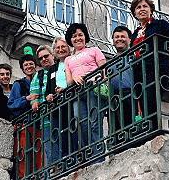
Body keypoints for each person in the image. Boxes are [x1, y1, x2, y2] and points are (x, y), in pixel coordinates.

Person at [64, 23, 106, 154]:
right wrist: (75, 79)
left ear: (85, 36)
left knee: (94, 122)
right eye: (74, 36)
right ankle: (89, 155)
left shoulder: (94, 50)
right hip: (78, 93)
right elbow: (69, 81)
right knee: (81, 123)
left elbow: (104, 70)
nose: (77, 38)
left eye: (80, 35)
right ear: (70, 40)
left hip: (93, 88)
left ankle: (98, 156)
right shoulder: (68, 59)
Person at [8, 54, 41, 178]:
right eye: (26, 65)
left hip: (39, 123)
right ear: (22, 68)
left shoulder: (40, 81)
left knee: (39, 153)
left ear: (35, 66)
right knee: (24, 154)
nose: (29, 67)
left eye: (31, 64)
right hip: (25, 124)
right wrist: (26, 98)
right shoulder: (18, 84)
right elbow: (11, 104)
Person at [29, 45, 56, 165]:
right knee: (51, 152)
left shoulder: (61, 68)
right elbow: (34, 96)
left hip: (65, 116)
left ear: (52, 55)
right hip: (47, 120)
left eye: (46, 56)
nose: (44, 59)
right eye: (41, 58)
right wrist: (34, 102)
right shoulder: (38, 76)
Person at [45, 36, 71, 158]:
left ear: (69, 48)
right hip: (56, 106)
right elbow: (47, 90)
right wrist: (48, 96)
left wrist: (64, 89)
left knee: (71, 132)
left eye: (63, 47)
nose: (60, 50)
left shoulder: (72, 61)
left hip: (70, 101)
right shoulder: (52, 69)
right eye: (57, 48)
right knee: (58, 135)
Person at [109, 26, 135, 131]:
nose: (119, 39)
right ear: (113, 41)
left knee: (129, 126)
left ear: (129, 40)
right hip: (113, 97)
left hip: (130, 94)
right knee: (115, 128)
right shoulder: (110, 62)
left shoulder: (134, 56)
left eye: (123, 36)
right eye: (116, 37)